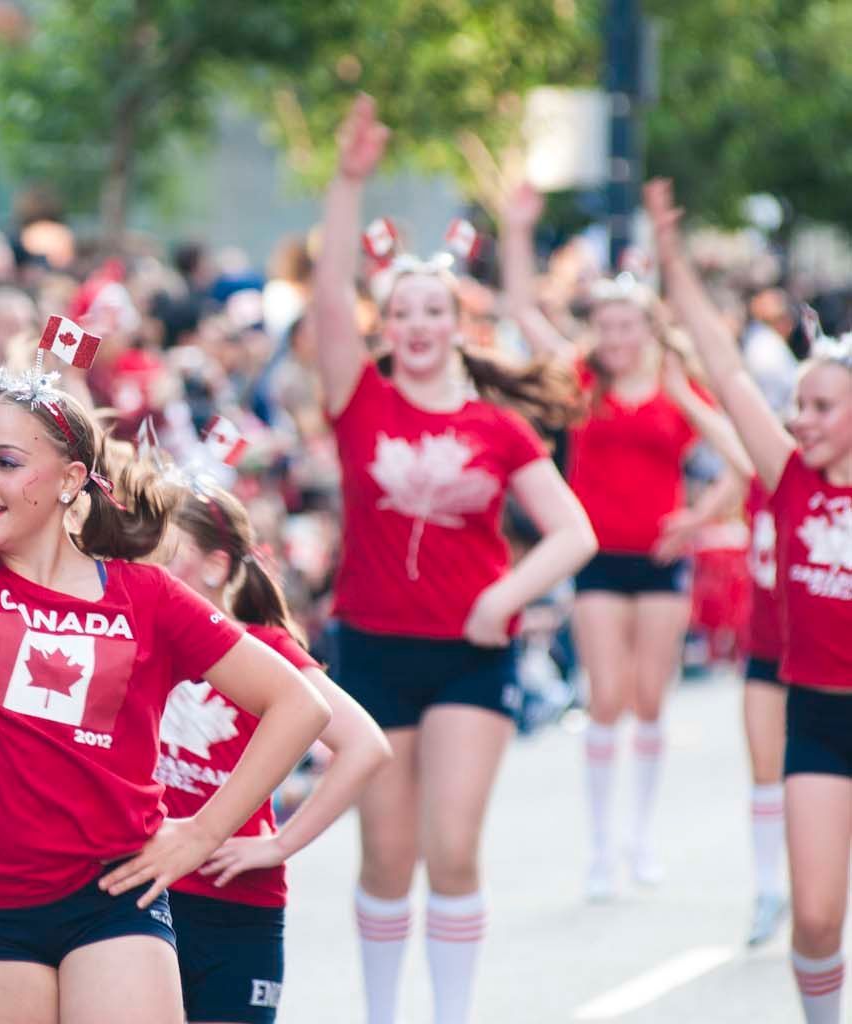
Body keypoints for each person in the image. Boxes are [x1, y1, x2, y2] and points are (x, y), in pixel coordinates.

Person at [0, 120, 329, 1024]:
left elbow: (301, 707)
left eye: (6, 463)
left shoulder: (148, 595)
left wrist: (200, 833)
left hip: (114, 902)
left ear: (71, 481)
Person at [312, 97, 596, 1024]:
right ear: (385, 324)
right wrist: (348, 183)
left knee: (454, 850)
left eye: (435, 309)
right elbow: (324, 302)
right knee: (386, 857)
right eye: (403, 310)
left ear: (457, 322)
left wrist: (505, 596)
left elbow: (573, 532)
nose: (420, 323)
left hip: (472, 653)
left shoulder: (497, 426)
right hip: (372, 654)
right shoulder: (357, 399)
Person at [498, 179, 751, 899]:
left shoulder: (676, 383)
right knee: (604, 694)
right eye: (604, 328)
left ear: (645, 329)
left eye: (626, 327)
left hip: (661, 558)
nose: (614, 340)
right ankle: (602, 847)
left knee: (649, 697)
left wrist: (701, 518)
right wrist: (518, 231)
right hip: (600, 556)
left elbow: (741, 458)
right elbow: (522, 310)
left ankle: (640, 839)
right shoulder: (580, 381)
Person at [646, 178, 852, 1024]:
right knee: (813, 915)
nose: (801, 419)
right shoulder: (790, 477)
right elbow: (726, 369)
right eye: (797, 404)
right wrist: (670, 258)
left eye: (820, 406)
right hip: (817, 715)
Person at [158, 485, 391, 1024]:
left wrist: (280, 844)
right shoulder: (139, 633)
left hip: (235, 900)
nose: (142, 561)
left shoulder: (266, 649)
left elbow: (364, 746)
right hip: (146, 891)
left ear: (214, 566)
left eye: (161, 550)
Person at [742, 475, 789, 945]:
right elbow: (722, 425)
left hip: (830, 661)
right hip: (767, 650)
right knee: (765, 771)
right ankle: (768, 889)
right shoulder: (765, 476)